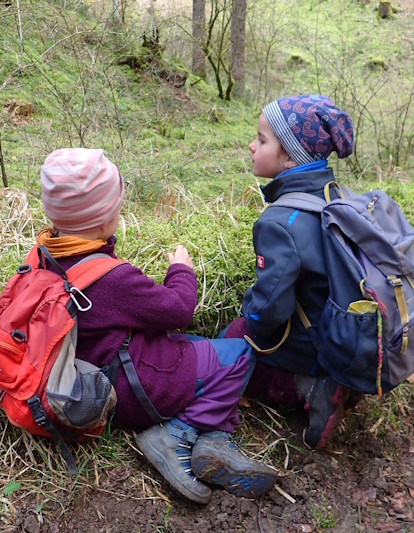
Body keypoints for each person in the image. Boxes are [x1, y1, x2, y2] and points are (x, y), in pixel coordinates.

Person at [37, 148, 275, 504]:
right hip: (132, 388)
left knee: (198, 344)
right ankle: (178, 434)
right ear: (105, 218)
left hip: (93, 374)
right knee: (240, 352)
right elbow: (179, 310)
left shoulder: (46, 255)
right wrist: (181, 269)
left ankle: (214, 442)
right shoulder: (112, 278)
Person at [223, 94, 363, 450]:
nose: (251, 146)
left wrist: (246, 323)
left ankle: (312, 386)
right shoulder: (339, 196)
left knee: (227, 347)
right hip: (347, 333)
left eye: (262, 139)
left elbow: (269, 308)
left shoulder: (280, 222)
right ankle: (342, 380)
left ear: (288, 156)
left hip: (313, 341)